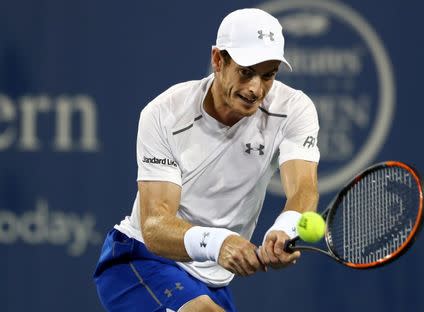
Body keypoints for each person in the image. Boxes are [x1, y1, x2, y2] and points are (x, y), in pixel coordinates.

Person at [94, 8, 320, 312]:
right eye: (246, 72)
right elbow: (155, 226)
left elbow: (303, 188)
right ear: (218, 60)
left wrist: (285, 229)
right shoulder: (164, 113)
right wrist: (219, 243)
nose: (256, 89)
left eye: (268, 76)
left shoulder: (294, 108)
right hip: (140, 261)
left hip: (213, 282)